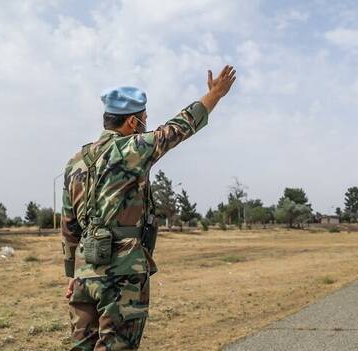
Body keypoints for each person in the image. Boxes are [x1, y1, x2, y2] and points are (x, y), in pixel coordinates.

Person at [61, 65, 236, 350]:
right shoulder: (133, 148)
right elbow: (179, 127)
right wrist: (215, 95)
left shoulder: (75, 161)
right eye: (144, 119)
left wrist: (72, 274)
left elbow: (68, 224)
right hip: (123, 274)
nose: (146, 124)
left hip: (84, 274)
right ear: (132, 123)